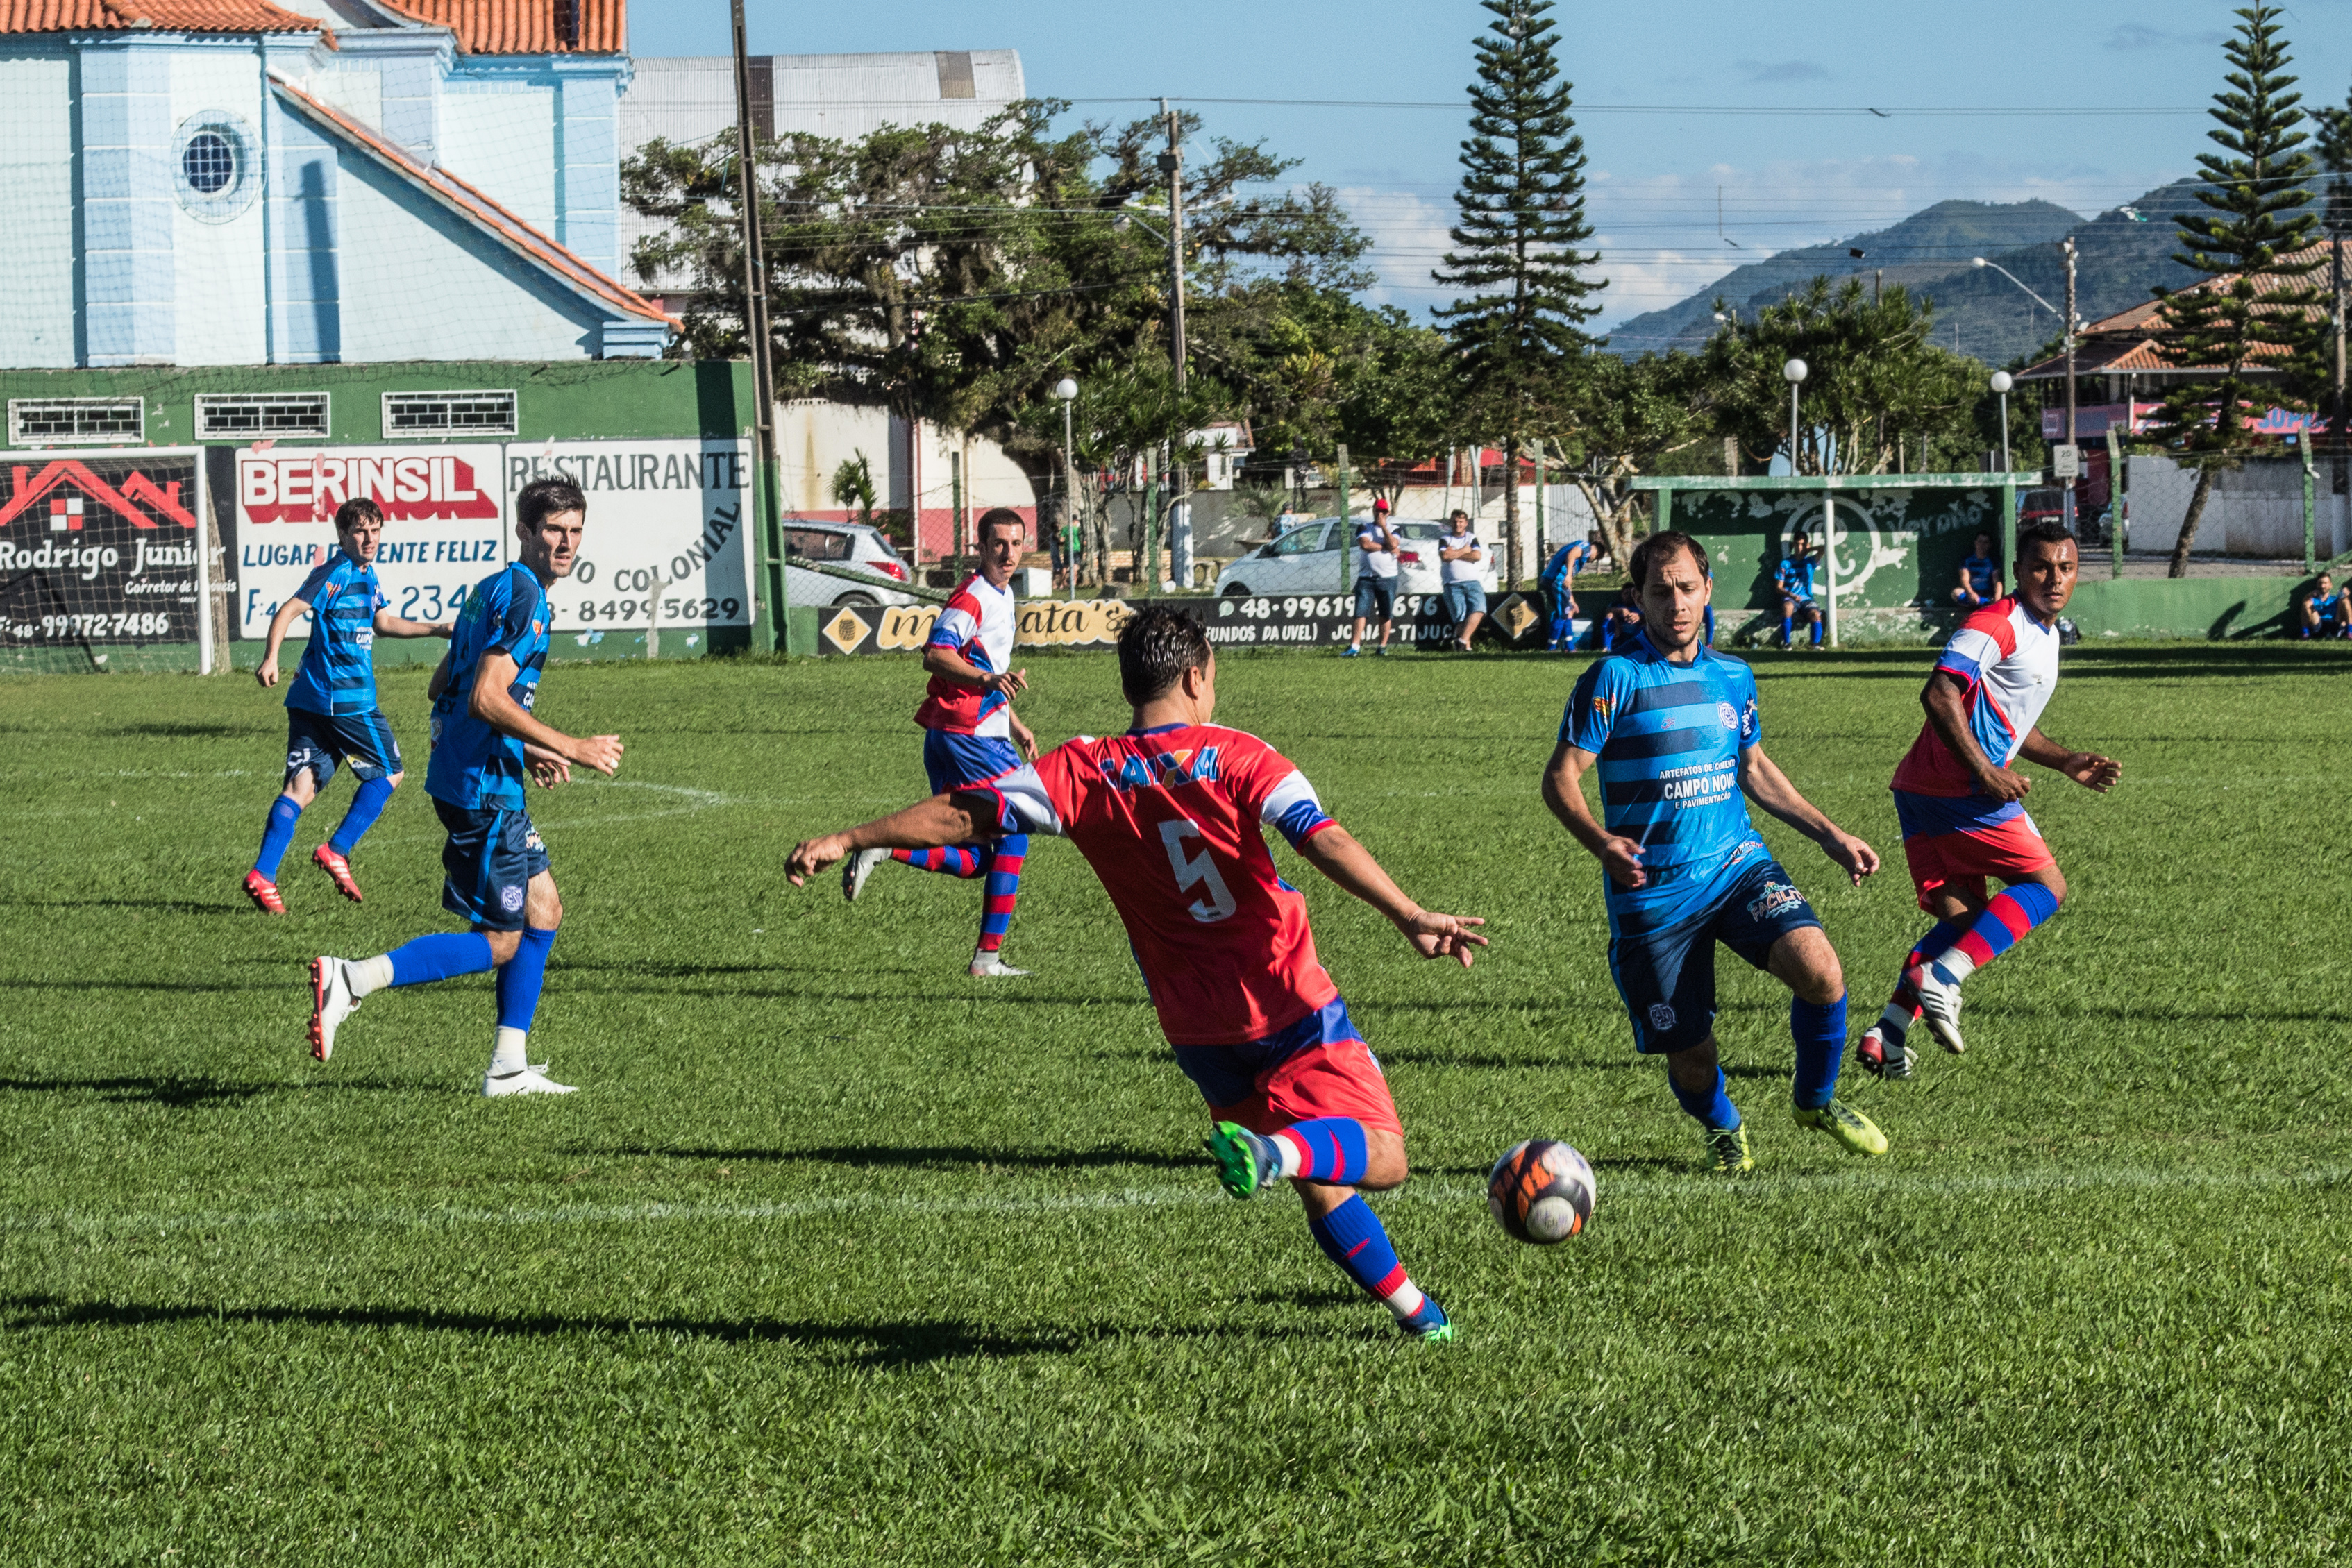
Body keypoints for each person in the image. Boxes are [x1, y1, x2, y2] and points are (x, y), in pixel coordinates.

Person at [786, 607, 1486, 1341]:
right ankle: (1276, 1153)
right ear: (1195, 676)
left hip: (1195, 1030)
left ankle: (1422, 1319)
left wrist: (848, 836)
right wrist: (1408, 913)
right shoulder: (1239, 754)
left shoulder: (1081, 770)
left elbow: (967, 814)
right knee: (1381, 1155)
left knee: (1323, 1178)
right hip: (1285, 1000)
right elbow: (1321, 837)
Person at [1540, 530, 1888, 1171]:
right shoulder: (1613, 677)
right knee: (1692, 1053)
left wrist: (1831, 833)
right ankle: (1722, 1124)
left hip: (1736, 866)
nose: (1675, 602)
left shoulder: (1733, 675)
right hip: (1655, 894)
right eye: (1659, 590)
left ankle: (1815, 1100)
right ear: (1636, 598)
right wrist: (1601, 842)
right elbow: (1560, 778)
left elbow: (1752, 768)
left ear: (1706, 592)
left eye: (1687, 587)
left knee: (1821, 970)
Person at [305, 479, 625, 1097]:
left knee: (545, 908)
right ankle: (350, 979)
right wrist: (569, 745)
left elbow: (444, 689)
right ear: (525, 532)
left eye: (575, 529)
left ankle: (508, 1065)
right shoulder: (526, 598)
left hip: (481, 773)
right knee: (503, 939)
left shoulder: (490, 590)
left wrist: (523, 746)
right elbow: (484, 696)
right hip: (481, 790)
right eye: (553, 530)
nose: (566, 542)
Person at [1856, 522, 2121, 1079]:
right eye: (2042, 567)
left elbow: (2009, 721)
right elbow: (1938, 691)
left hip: (1919, 789)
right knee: (2047, 887)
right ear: (2019, 572)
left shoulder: (2045, 634)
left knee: (1964, 923)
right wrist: (1984, 769)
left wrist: (2066, 759)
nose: (2054, 578)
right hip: (1959, 791)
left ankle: (1888, 1033)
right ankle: (1945, 978)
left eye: (2066, 567)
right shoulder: (1996, 623)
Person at [840, 508, 1039, 977]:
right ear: (981, 546)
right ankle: (986, 960)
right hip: (968, 738)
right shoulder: (972, 597)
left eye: (1016, 543)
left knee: (975, 856)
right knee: (1016, 829)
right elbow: (936, 654)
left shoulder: (1003, 594)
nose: (1008, 553)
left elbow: (983, 665)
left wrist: (1015, 722)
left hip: (960, 733)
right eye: (999, 544)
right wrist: (990, 680)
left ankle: (886, 847)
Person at [242, 497, 452, 913]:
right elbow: (289, 610)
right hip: (345, 702)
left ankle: (263, 875)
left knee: (300, 788)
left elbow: (383, 622)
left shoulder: (366, 574)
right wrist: (270, 657)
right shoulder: (335, 571)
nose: (369, 538)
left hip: (309, 700)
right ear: (342, 535)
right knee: (391, 773)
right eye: (360, 531)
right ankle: (337, 850)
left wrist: (436, 628)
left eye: (375, 530)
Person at [1343, 498, 1401, 657]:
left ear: (1388, 513)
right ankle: (1355, 646)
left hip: (1388, 577)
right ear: (1373, 511)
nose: (1379, 514)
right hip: (1366, 578)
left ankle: (1382, 646)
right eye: (1377, 510)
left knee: (1385, 613)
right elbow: (1366, 545)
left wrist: (1383, 527)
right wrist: (1387, 548)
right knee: (1360, 612)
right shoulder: (1365, 527)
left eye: (1382, 511)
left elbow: (1394, 543)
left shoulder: (1395, 528)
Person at [1437, 509, 1487, 650]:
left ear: (1466, 523)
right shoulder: (1445, 539)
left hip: (1472, 582)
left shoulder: (1471, 538)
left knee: (1479, 609)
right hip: (1452, 584)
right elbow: (1445, 557)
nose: (1457, 524)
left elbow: (1477, 556)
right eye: (1455, 521)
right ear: (1450, 522)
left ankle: (1462, 641)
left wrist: (1454, 553)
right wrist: (1465, 551)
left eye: (1460, 521)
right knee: (1460, 616)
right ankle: (1466, 648)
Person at [1541, 532, 1595, 651]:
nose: (1591, 561)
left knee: (1568, 611)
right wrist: (1569, 575)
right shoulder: (1586, 547)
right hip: (1555, 580)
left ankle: (1569, 646)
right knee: (1563, 614)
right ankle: (1552, 647)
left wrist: (1572, 601)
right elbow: (1571, 554)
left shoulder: (1580, 554)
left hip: (1554, 580)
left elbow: (1567, 584)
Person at [1775, 532, 1822, 649]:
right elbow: (1778, 587)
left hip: (1807, 598)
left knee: (1816, 614)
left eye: (1802, 544)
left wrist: (1809, 549)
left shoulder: (1811, 561)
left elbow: (1825, 549)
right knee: (1787, 607)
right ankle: (1787, 643)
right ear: (1793, 545)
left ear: (1807, 545)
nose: (1799, 548)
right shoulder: (1785, 563)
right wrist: (1791, 595)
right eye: (1797, 544)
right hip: (1790, 597)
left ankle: (1815, 645)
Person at [1953, 532, 2004, 610]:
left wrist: (1997, 600)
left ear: (1989, 545)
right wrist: (1971, 593)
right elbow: (1964, 580)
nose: (1982, 545)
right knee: (1956, 593)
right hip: (1972, 594)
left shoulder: (1993, 561)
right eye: (1980, 542)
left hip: (1987, 595)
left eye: (1985, 543)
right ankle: (1980, 604)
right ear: (1975, 543)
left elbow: (1997, 581)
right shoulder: (1967, 560)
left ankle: (1987, 603)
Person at [2301, 573, 2349, 639]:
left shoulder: (2335, 599)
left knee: (2345, 601)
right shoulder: (2312, 599)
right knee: (2307, 603)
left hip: (2334, 624)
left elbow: (2344, 606)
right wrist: (2310, 595)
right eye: (2320, 583)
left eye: (2325, 583)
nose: (2322, 586)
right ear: (2317, 585)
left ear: (2330, 585)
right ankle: (2305, 633)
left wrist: (2345, 595)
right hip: (2318, 625)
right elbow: (2305, 602)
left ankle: (2350, 631)